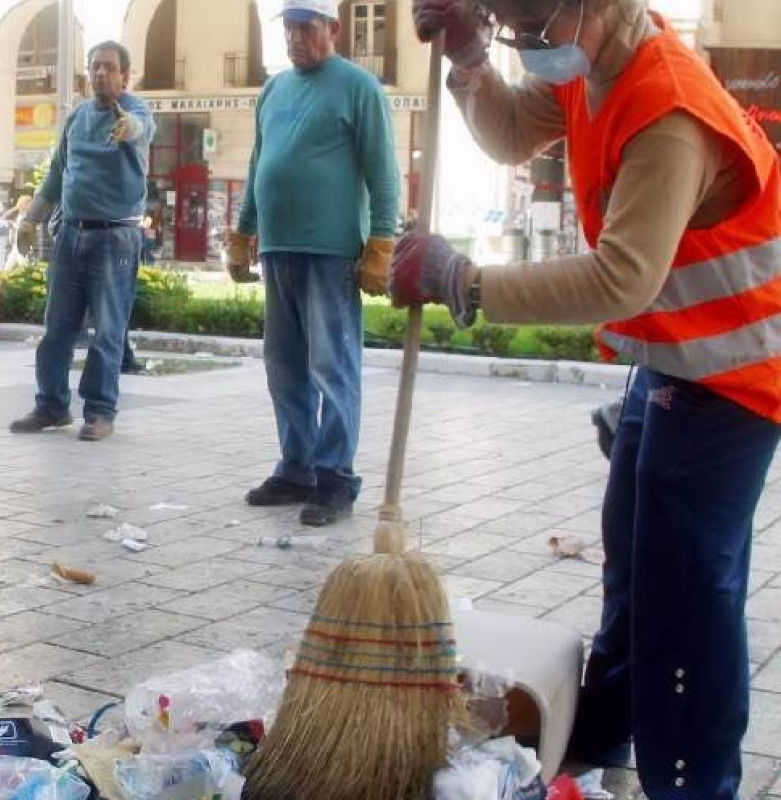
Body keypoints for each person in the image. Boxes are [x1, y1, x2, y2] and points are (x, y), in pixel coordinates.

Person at [401, 1, 781, 796]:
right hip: (679, 360)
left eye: (532, 28)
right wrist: (471, 61)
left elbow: (621, 277)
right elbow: (513, 134)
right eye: (507, 26)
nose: (524, 44)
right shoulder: (591, 61)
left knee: (686, 592)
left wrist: (465, 281)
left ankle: (693, 782)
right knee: (634, 564)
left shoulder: (668, 109)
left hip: (737, 371)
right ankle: (603, 732)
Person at [226, 0, 400, 527]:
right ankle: (296, 468)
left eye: (306, 27)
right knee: (284, 367)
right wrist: (243, 233)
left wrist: (381, 244)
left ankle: (335, 477)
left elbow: (384, 173)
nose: (295, 38)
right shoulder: (274, 89)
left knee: (332, 366)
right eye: (289, 28)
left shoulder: (359, 87)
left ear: (333, 28)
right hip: (278, 247)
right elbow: (259, 164)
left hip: (331, 252)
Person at [8, 42, 156, 442]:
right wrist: (31, 219)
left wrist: (127, 128)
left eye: (109, 67)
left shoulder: (136, 111)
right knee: (56, 327)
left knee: (107, 330)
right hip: (71, 234)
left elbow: (141, 129)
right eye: (95, 67)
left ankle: (100, 412)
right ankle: (51, 406)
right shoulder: (77, 117)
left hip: (115, 237)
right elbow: (57, 173)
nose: (101, 74)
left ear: (125, 75)